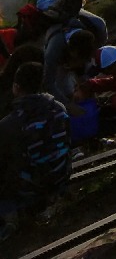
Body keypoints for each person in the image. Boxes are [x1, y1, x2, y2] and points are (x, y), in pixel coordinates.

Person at [0, 62, 71, 241]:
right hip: (61, 176)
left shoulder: (10, 124)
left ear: (16, 87)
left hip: (33, 188)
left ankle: (9, 216)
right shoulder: (58, 108)